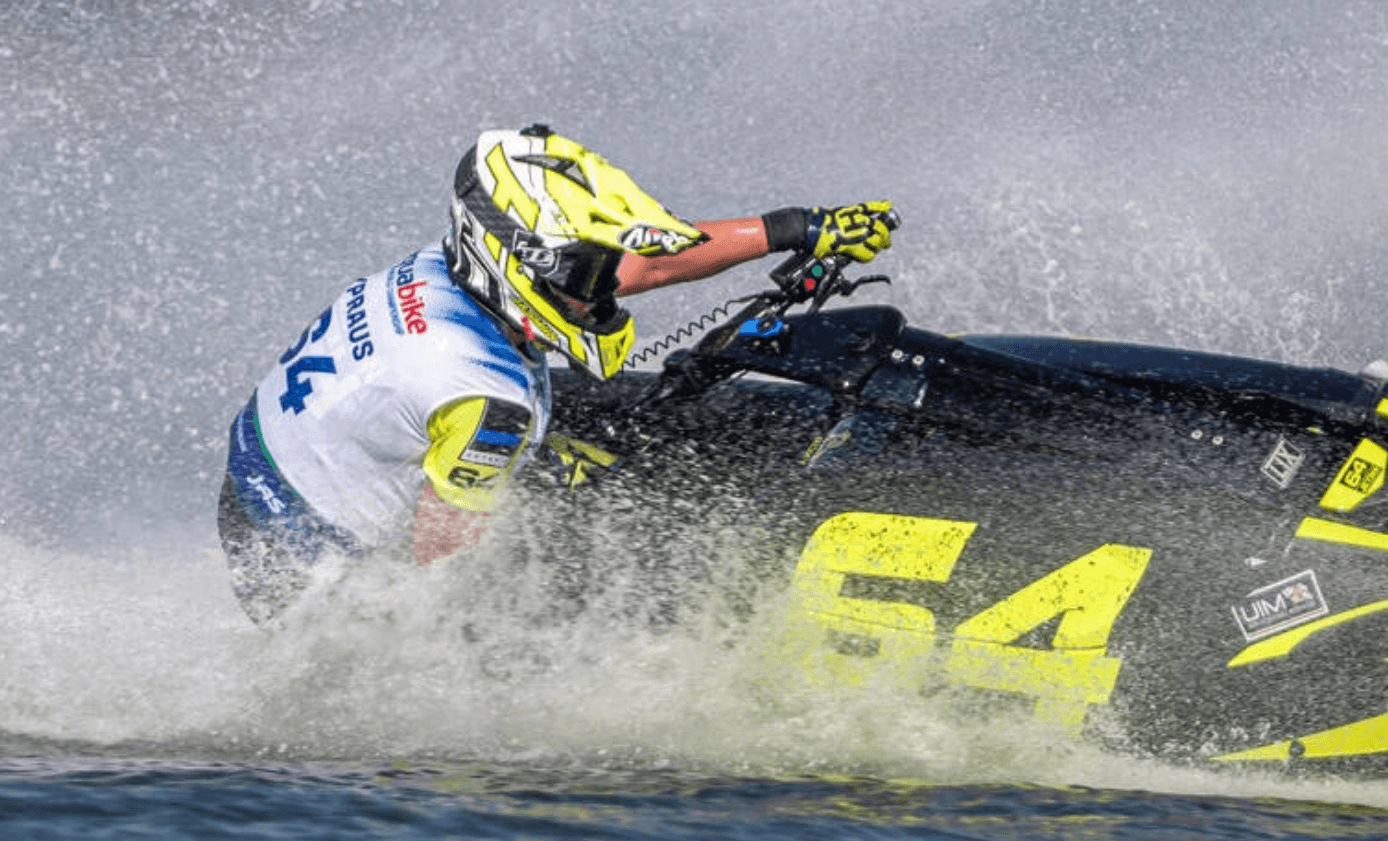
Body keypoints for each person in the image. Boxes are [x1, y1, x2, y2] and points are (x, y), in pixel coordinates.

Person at [218, 124, 895, 624]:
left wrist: (791, 229)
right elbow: (440, 569)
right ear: (512, 265)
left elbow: (640, 263)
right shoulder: (488, 398)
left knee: (587, 466)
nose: (603, 295)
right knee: (611, 561)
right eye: (583, 280)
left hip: (271, 475)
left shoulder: (450, 264)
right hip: (307, 582)